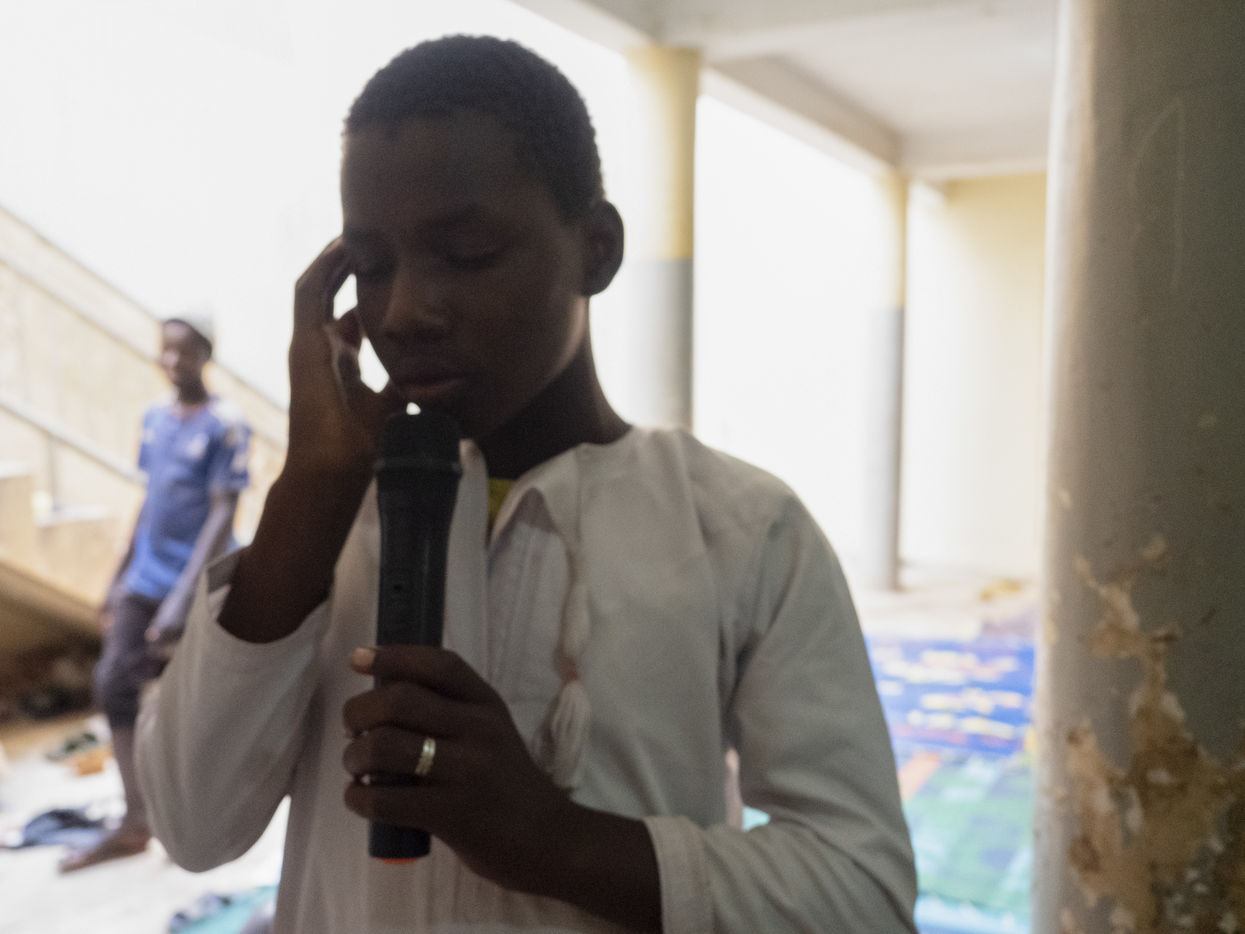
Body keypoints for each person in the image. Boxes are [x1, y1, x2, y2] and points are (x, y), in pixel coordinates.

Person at [136, 36, 916, 932]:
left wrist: (552, 839)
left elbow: (861, 891)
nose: (405, 311)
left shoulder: (741, 530)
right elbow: (191, 827)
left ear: (596, 250)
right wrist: (308, 494)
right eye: (373, 265)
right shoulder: (326, 526)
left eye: (466, 251)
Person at [60, 314, 250, 872]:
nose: (172, 362)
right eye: (165, 350)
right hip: (145, 578)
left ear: (206, 354)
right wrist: (117, 579)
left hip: (193, 582)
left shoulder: (226, 425)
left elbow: (222, 513)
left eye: (184, 352)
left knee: (196, 703)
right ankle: (135, 821)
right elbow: (150, 500)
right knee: (113, 684)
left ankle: (199, 818)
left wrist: (182, 598)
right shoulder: (155, 419)